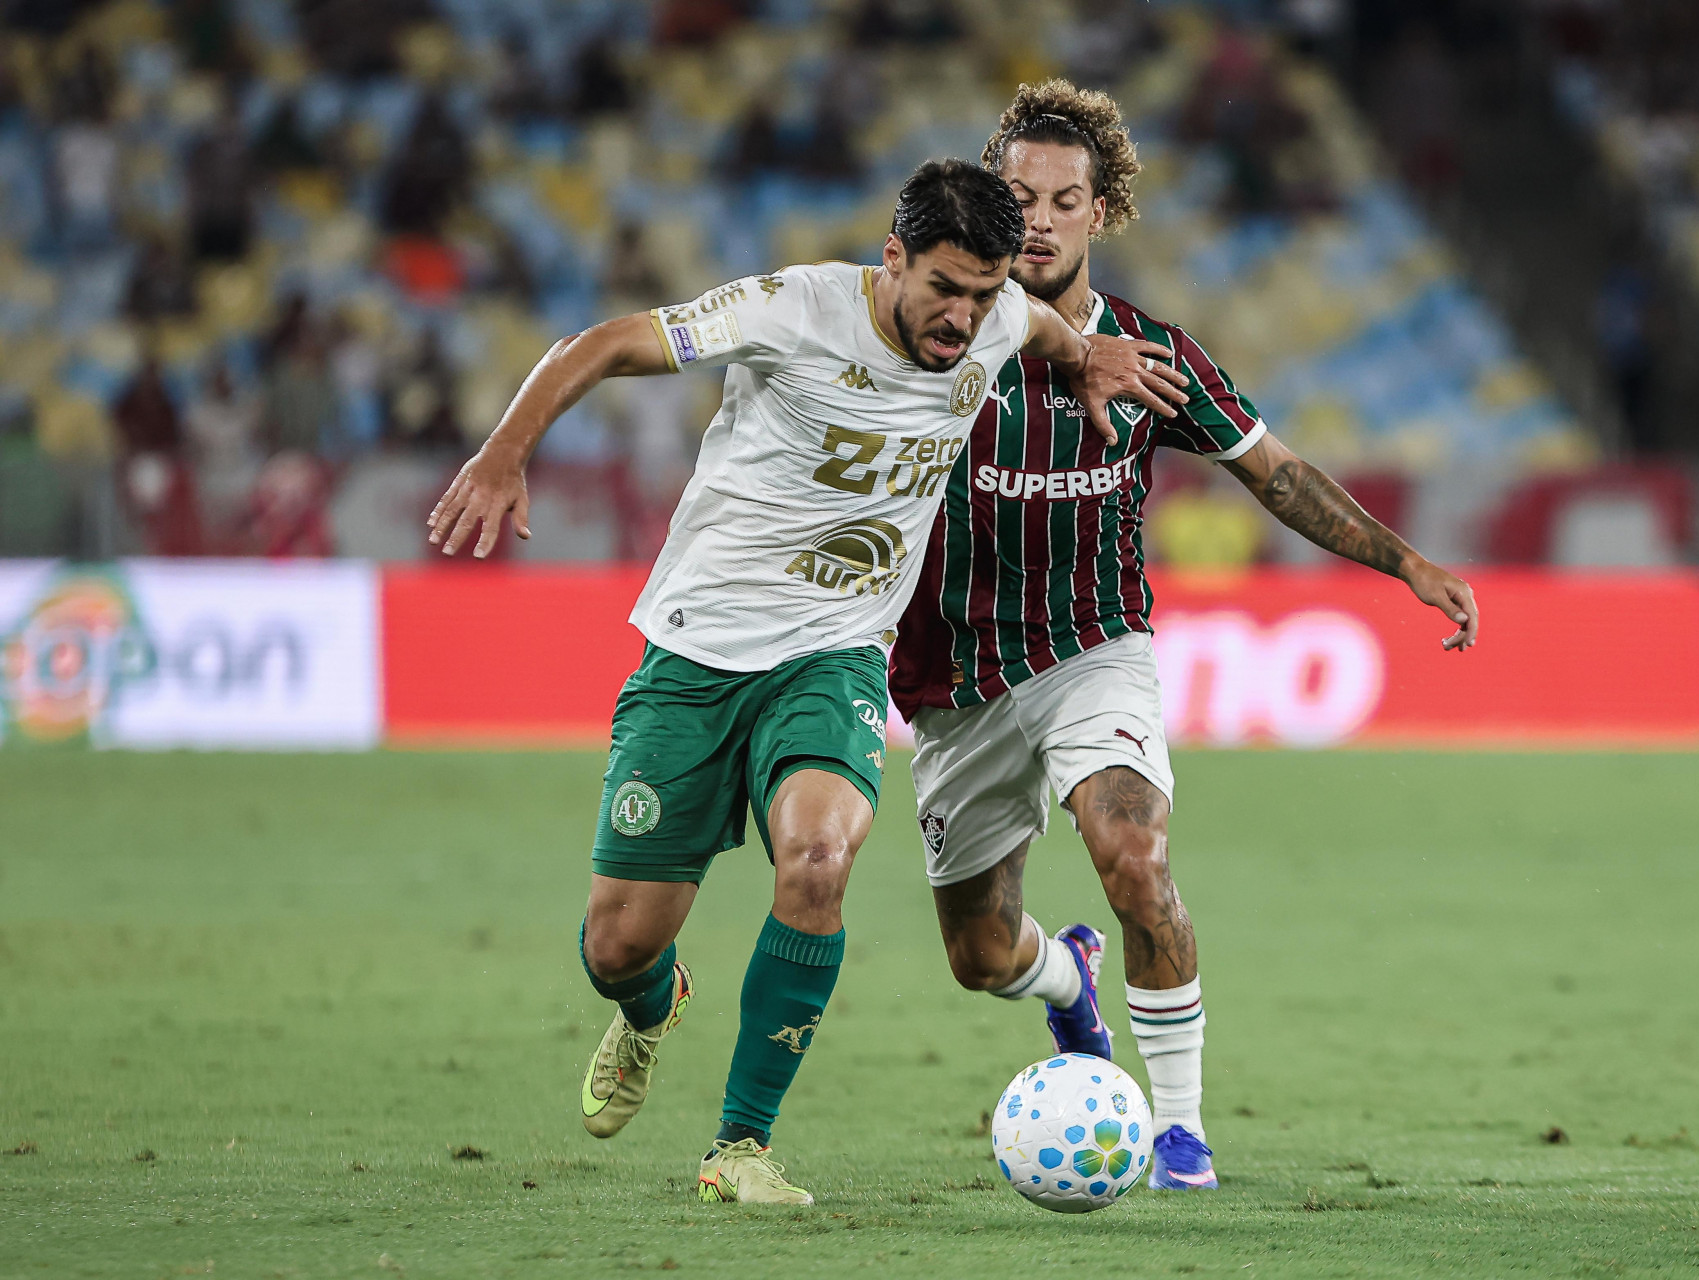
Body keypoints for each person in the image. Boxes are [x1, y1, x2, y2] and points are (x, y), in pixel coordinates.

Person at [426, 159, 1183, 1206]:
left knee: (820, 860)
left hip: (836, 655)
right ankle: (650, 1004)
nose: (964, 318)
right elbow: (600, 345)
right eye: (943, 289)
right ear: (893, 258)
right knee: (617, 945)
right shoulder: (791, 310)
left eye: (982, 294)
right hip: (697, 656)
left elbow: (1043, 328)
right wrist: (505, 453)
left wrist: (1091, 355)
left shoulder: (1002, 315)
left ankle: (740, 1145)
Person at [887, 82, 1481, 1193]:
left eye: (1067, 200)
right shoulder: (934, 340)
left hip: (1093, 647)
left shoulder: (1154, 355)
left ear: (1102, 210)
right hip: (954, 678)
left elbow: (1276, 473)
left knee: (1135, 853)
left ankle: (1180, 1132)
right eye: (1021, 198)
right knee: (980, 956)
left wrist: (1406, 562)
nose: (1042, 220)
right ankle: (1066, 982)